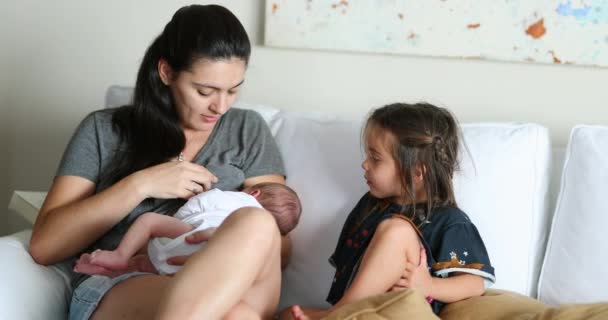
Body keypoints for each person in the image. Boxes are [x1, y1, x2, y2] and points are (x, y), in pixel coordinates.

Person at [29, 4, 291, 320]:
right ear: (166, 72)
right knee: (236, 317)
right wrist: (142, 184)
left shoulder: (247, 129)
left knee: (258, 221)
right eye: (204, 90)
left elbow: (282, 247)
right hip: (130, 283)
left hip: (235, 282)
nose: (220, 106)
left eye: (233, 91)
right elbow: (45, 246)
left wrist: (221, 244)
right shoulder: (104, 130)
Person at [283, 103, 495, 319]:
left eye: (375, 158)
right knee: (287, 314)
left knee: (397, 231)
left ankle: (336, 316)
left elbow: (474, 284)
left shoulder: (450, 222)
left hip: (403, 312)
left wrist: (429, 285)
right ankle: (336, 315)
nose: (365, 164)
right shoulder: (371, 205)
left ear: (416, 172)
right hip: (366, 311)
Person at [73, 182, 301, 276]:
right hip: (205, 267)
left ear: (255, 193)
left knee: (150, 221)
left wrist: (183, 217)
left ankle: (118, 257)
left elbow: (200, 204)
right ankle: (115, 269)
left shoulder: (236, 197)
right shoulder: (263, 234)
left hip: (190, 233)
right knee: (147, 268)